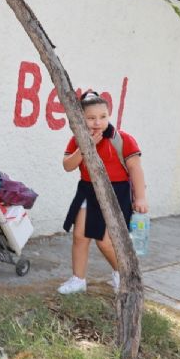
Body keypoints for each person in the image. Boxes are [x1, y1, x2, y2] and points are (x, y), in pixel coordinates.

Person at [58, 90, 148, 294]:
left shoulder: (123, 139)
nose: (97, 122)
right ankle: (78, 279)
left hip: (116, 192)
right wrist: (86, 146)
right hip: (88, 191)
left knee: (105, 241)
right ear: (81, 118)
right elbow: (67, 165)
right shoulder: (77, 140)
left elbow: (135, 168)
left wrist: (141, 197)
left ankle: (123, 274)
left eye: (103, 117)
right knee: (80, 236)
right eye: (91, 118)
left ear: (109, 115)